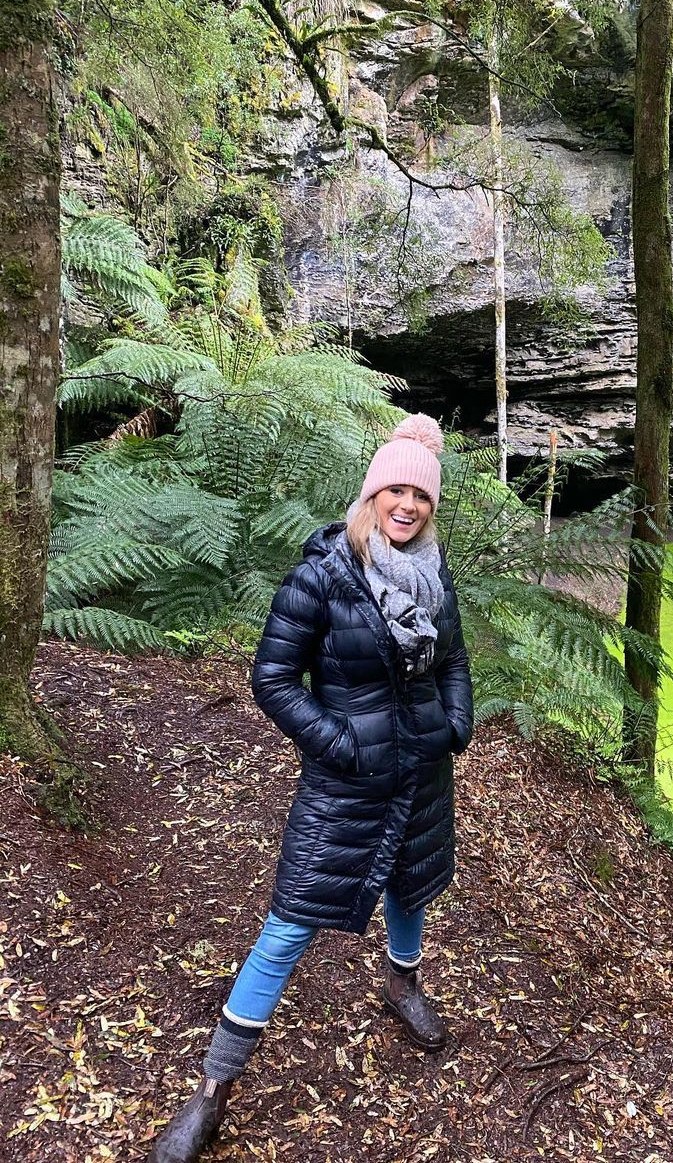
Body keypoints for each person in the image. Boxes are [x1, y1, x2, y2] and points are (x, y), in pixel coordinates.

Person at [150, 413, 474, 1163]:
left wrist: (455, 725)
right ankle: (213, 1090)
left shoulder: (433, 571)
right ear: (371, 495)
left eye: (421, 496)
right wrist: (339, 744)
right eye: (396, 491)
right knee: (290, 922)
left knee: (412, 886)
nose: (408, 505)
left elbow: (453, 660)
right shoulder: (323, 574)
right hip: (348, 782)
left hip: (424, 769)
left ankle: (402, 984)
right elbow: (272, 678)